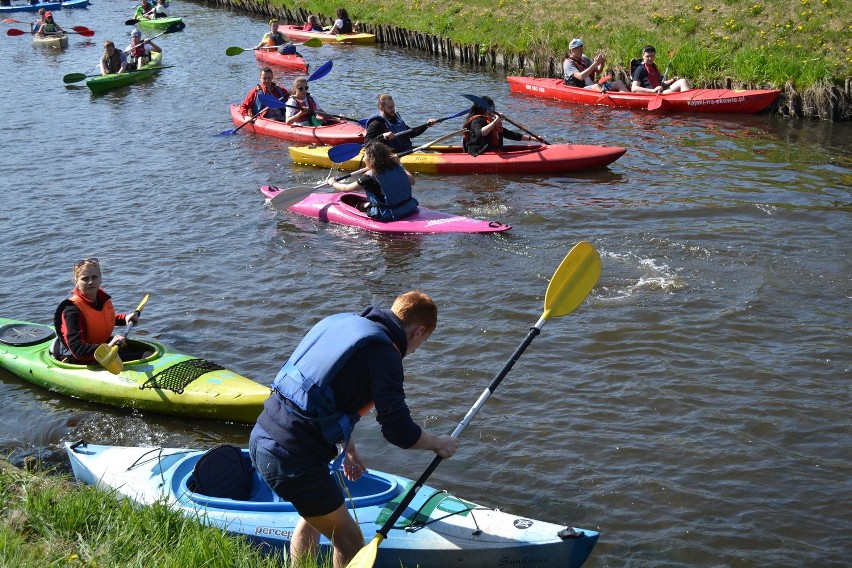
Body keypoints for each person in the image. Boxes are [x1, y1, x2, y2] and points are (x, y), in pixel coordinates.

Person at [249, 290, 458, 568]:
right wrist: (437, 443)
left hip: (263, 437)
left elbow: (322, 394)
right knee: (350, 542)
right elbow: (399, 432)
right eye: (422, 343)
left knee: (312, 518)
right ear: (419, 331)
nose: (416, 350)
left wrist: (348, 447)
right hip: (294, 457)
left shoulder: (344, 323)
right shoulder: (386, 355)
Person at [53, 258, 140, 365]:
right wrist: (108, 346)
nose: (90, 282)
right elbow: (78, 350)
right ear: (76, 282)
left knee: (148, 352)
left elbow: (98, 320)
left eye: (94, 277)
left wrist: (124, 319)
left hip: (102, 348)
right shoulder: (71, 310)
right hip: (81, 358)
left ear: (100, 279)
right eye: (85, 279)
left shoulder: (99, 299)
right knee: (145, 355)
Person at [328, 141, 419, 221]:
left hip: (389, 214)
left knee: (361, 205)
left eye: (365, 155)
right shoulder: (397, 167)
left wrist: (333, 182)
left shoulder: (370, 176)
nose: (364, 159)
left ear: (372, 159)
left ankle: (364, 206)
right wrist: (399, 164)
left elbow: (346, 188)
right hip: (409, 207)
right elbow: (412, 181)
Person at [462, 95, 535, 157]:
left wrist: (532, 138)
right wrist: (496, 121)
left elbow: (508, 134)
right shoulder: (477, 120)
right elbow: (481, 133)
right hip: (478, 153)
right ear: (486, 109)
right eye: (491, 108)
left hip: (489, 152)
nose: (493, 110)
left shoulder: (489, 120)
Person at [364, 94, 437, 153]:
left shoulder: (396, 119)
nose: (393, 110)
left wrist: (427, 125)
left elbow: (411, 133)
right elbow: (367, 144)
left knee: (436, 152)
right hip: (392, 155)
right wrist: (383, 136)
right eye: (390, 107)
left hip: (406, 150)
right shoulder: (376, 123)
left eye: (393, 106)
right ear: (381, 108)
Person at [563, 38, 629, 92]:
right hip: (579, 89)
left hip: (591, 86)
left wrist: (602, 63)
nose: (581, 51)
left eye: (581, 49)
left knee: (619, 83)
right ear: (571, 51)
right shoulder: (568, 63)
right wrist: (595, 64)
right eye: (578, 50)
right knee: (596, 86)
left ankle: (627, 99)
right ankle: (606, 98)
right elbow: (580, 77)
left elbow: (598, 71)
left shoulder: (584, 58)